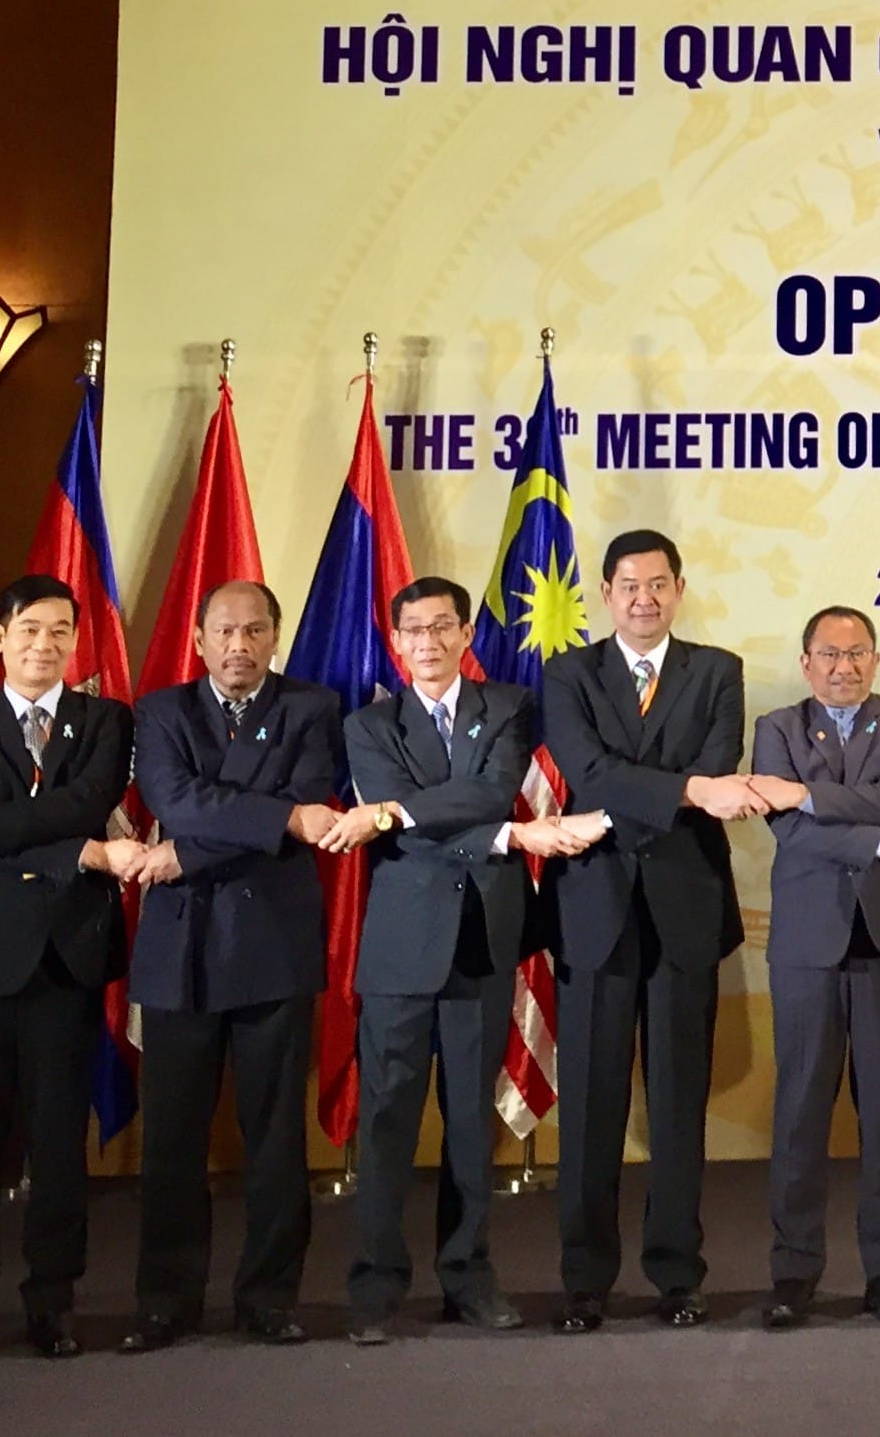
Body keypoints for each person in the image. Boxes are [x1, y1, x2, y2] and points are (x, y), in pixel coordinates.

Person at [0, 575, 141, 1366]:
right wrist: (73, 851)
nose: (45, 644)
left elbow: (82, 805)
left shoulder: (106, 720)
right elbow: (30, 828)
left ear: (77, 642)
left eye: (60, 631)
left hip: (67, 959)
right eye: (29, 629)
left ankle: (52, 1303)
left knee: (57, 1146)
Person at [341, 576, 578, 1344]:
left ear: (466, 634)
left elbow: (488, 792)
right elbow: (415, 827)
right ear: (396, 641)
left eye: (443, 627)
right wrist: (494, 835)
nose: (429, 642)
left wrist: (399, 808)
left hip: (481, 937)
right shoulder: (369, 725)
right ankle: (375, 1289)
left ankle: (469, 1279)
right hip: (402, 947)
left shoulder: (505, 707)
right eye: (414, 630)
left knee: (471, 1124)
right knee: (385, 1121)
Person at [538, 529, 756, 1332]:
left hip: (684, 907)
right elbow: (585, 770)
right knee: (591, 1108)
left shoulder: (718, 671)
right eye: (629, 585)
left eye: (659, 584)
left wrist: (678, 790)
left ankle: (677, 1274)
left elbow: (720, 762)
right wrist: (686, 789)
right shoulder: (567, 672)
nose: (644, 598)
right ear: (605, 593)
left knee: (676, 1104)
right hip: (593, 907)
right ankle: (584, 1280)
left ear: (679, 588)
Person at [124, 580, 349, 1352]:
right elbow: (176, 798)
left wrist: (187, 851)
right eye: (224, 632)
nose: (238, 646)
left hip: (272, 946)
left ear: (274, 639)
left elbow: (308, 802)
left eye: (254, 632)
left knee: (275, 1135)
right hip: (179, 947)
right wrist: (277, 815)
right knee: (173, 1139)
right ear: (198, 639)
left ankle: (268, 1297)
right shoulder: (159, 712)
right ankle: (165, 1300)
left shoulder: (313, 708)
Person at [747, 605, 880, 1329]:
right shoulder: (776, 728)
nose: (843, 666)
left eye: (856, 653)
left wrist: (808, 794)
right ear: (805, 663)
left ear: (875, 659)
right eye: (828, 654)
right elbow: (790, 835)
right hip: (805, 942)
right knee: (799, 1111)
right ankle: (793, 1271)